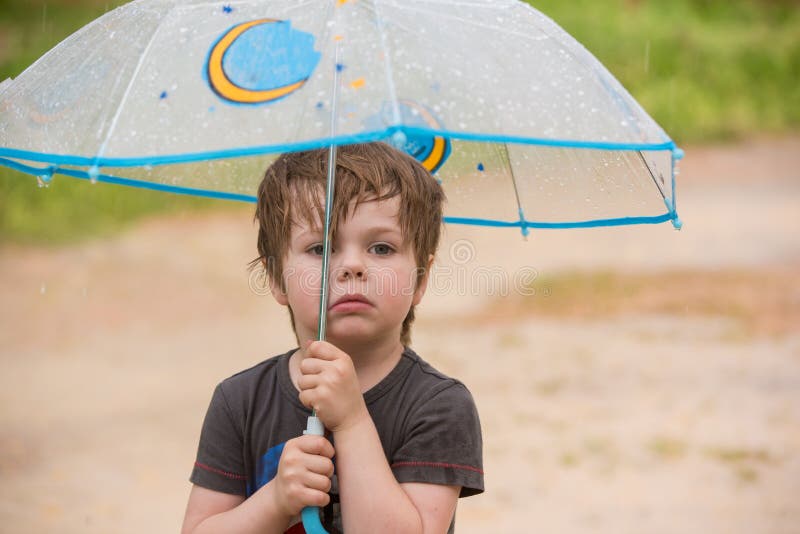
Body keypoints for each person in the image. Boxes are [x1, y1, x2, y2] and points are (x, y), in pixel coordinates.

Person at [181, 143, 483, 534]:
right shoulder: (239, 401)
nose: (352, 266)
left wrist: (352, 420)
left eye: (381, 247)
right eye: (321, 248)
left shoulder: (439, 407)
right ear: (276, 279)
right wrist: (274, 502)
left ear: (420, 280)